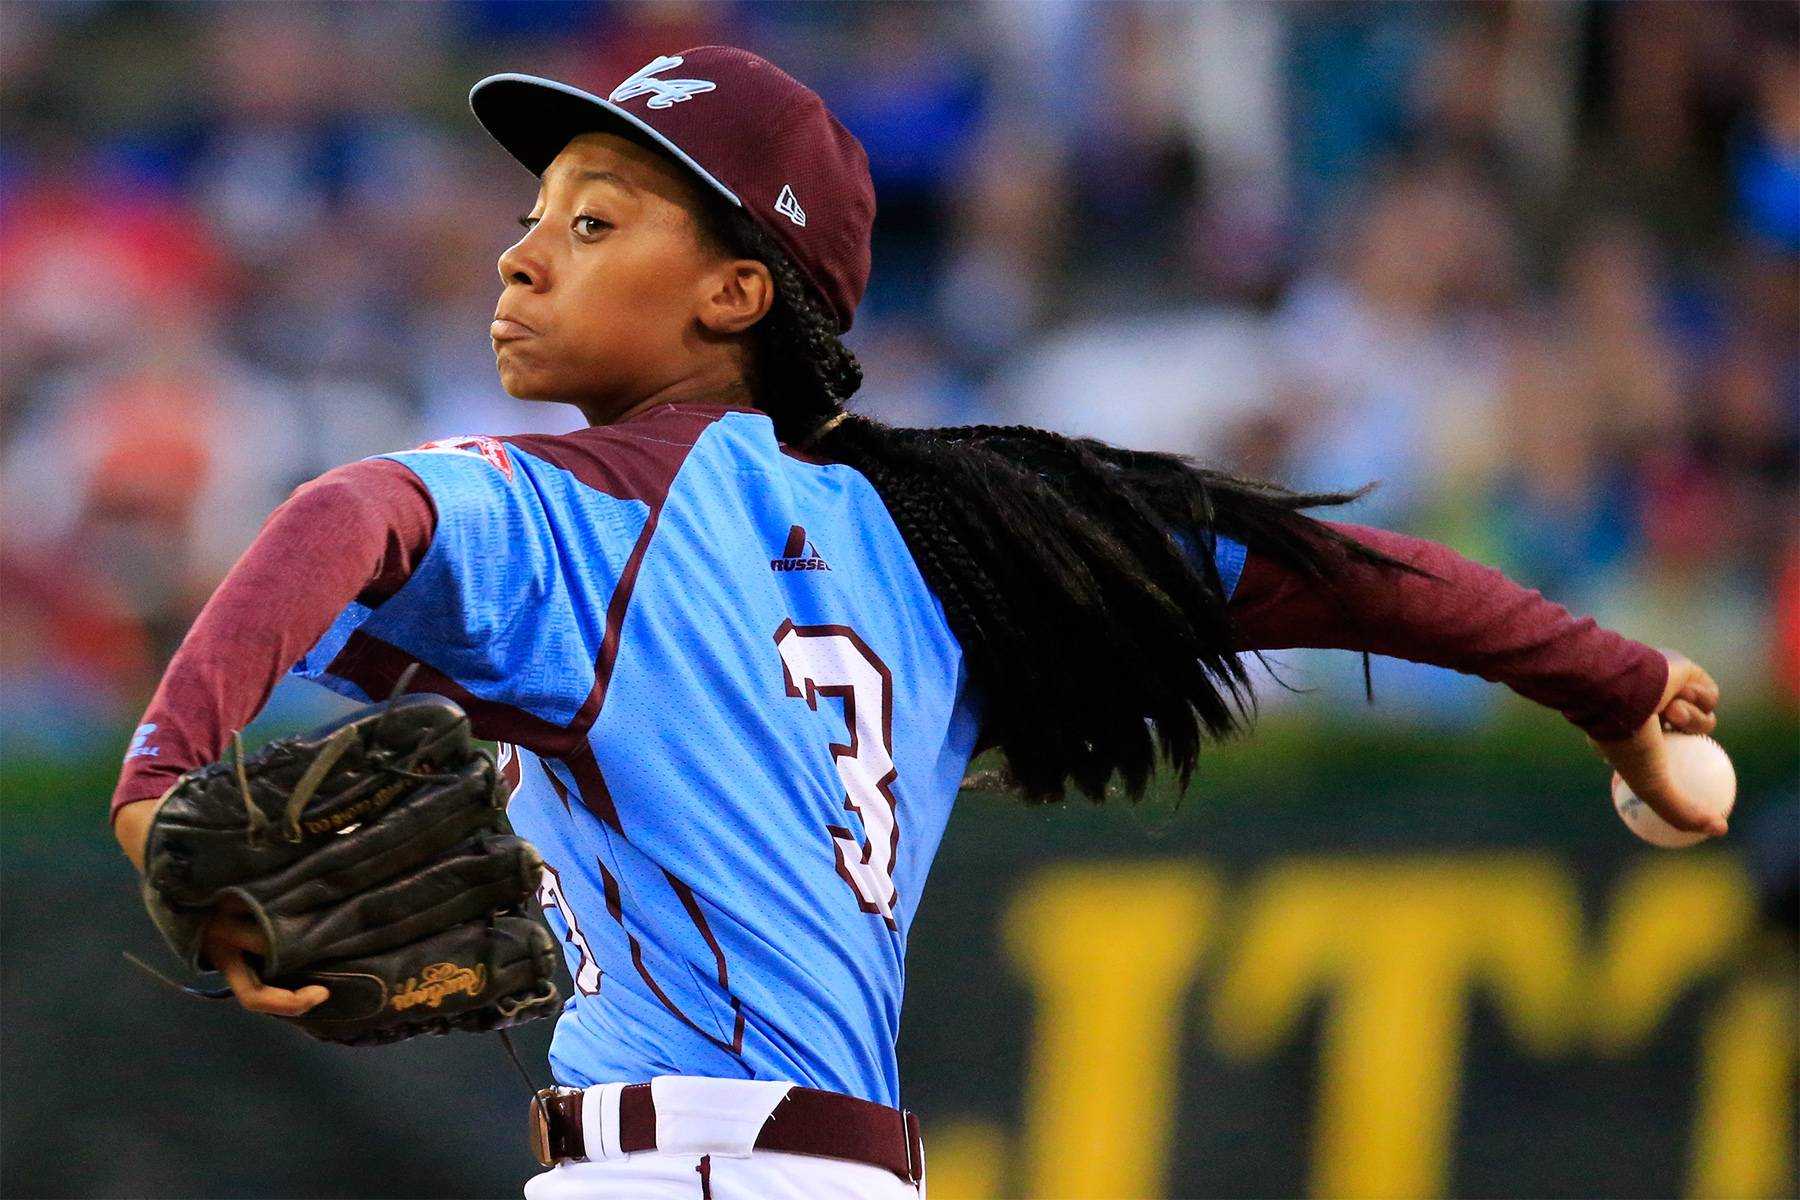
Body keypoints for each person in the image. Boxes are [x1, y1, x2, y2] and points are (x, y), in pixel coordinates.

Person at [109, 46, 1725, 1199]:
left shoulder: (578, 516)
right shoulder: (949, 528)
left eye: (595, 223)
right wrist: (1619, 687)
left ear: (739, 293)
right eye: (535, 213)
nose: (523, 254)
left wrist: (157, 780)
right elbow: (1338, 575)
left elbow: (348, 517)